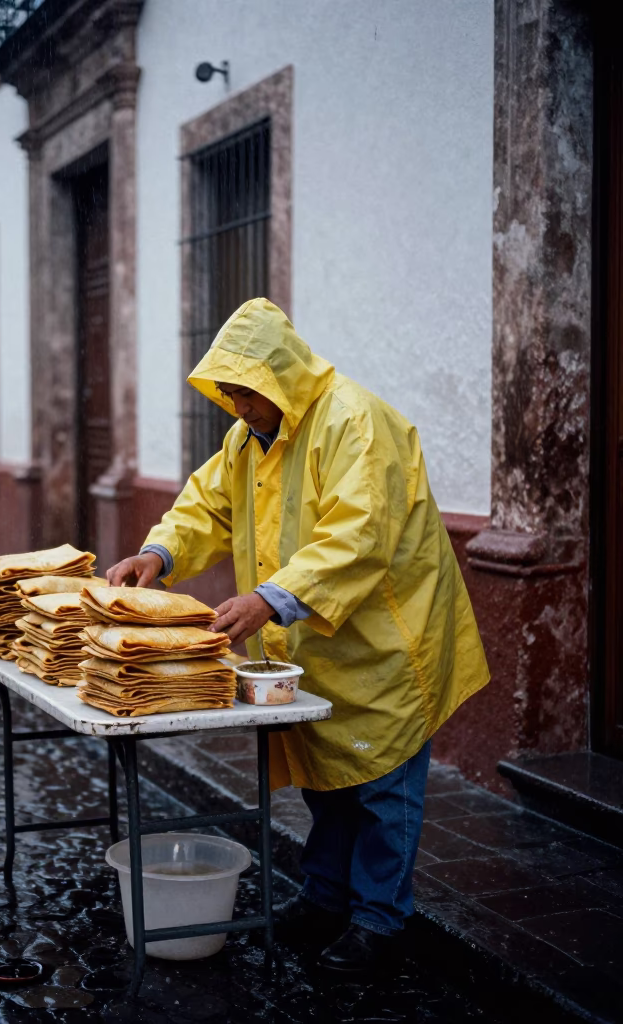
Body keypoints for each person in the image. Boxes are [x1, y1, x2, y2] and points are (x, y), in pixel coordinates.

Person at [107, 298, 489, 972]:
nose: (236, 405)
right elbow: (205, 506)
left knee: (383, 787)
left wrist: (269, 599)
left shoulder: (355, 422)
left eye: (245, 392)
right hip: (318, 646)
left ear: (280, 377)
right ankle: (325, 898)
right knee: (329, 779)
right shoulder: (245, 441)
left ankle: (379, 921)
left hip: (386, 643)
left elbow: (358, 535)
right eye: (228, 392)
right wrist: (159, 554)